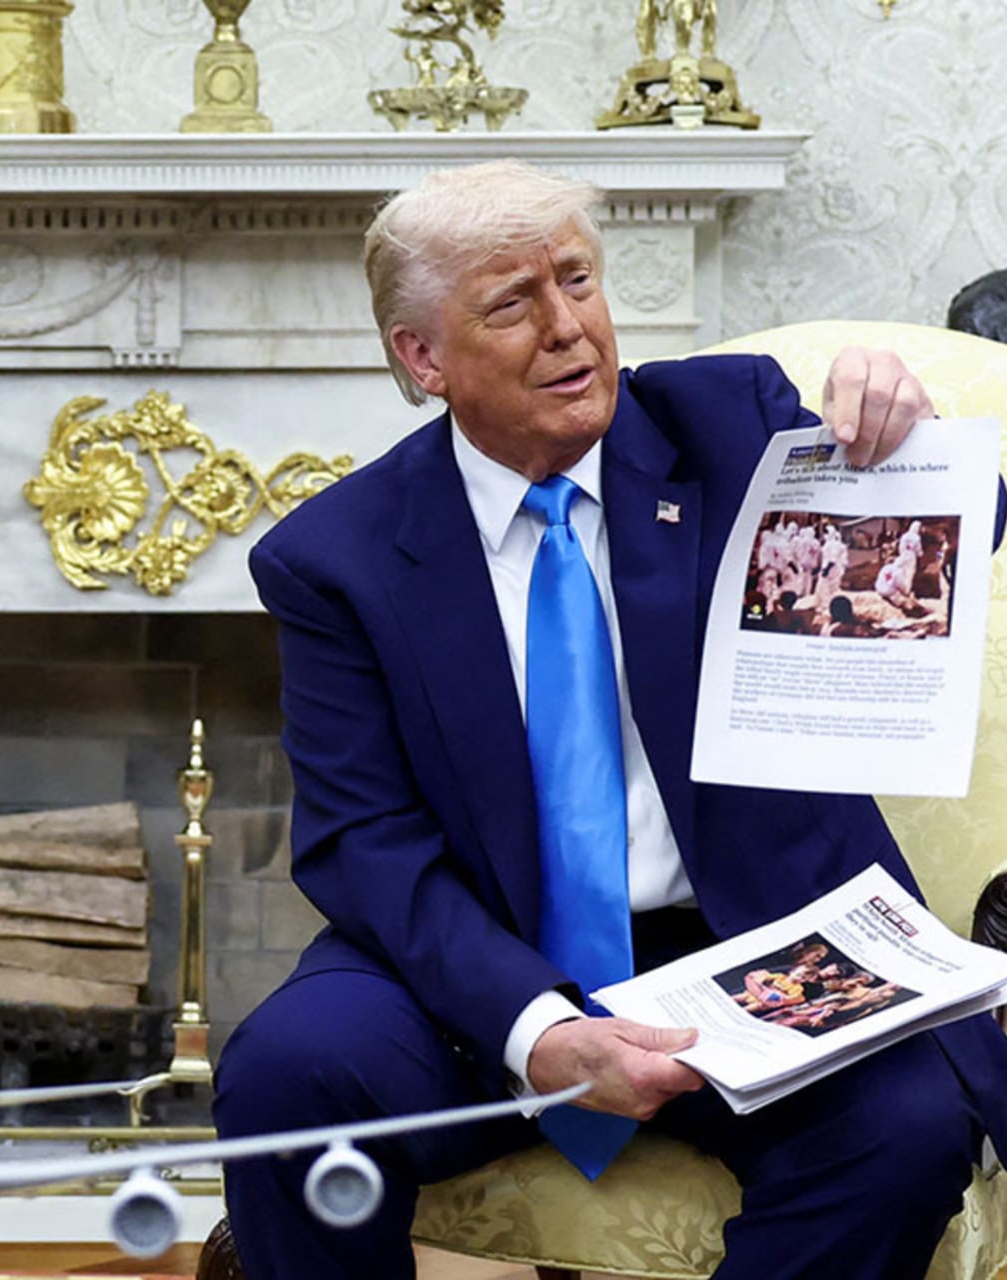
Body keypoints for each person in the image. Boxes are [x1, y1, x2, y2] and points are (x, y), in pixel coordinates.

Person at [213, 161, 1007, 1280]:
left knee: (907, 1129)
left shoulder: (729, 426)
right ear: (423, 357)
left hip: (750, 946)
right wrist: (537, 1028)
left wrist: (900, 428)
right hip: (483, 953)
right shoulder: (335, 558)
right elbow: (363, 840)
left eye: (577, 279)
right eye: (511, 301)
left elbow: (952, 539)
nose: (567, 327)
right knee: (288, 1076)